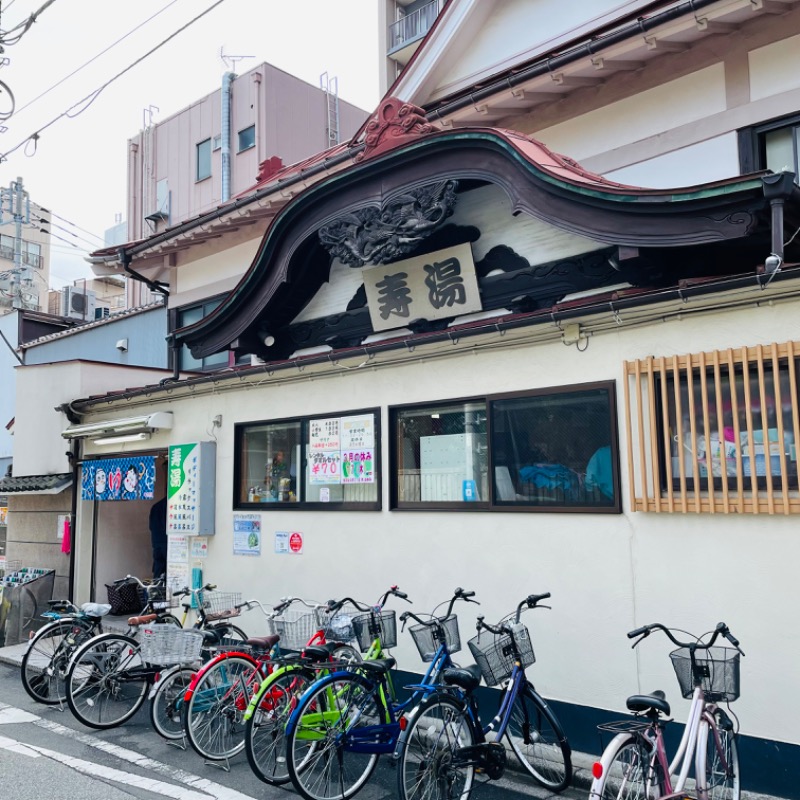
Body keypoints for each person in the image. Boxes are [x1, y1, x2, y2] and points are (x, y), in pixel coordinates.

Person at [149, 495, 168, 579]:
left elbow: (151, 526)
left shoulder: (155, 507)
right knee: (171, 573)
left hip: (156, 544)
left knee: (158, 573)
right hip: (167, 544)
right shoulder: (170, 507)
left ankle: (155, 590)